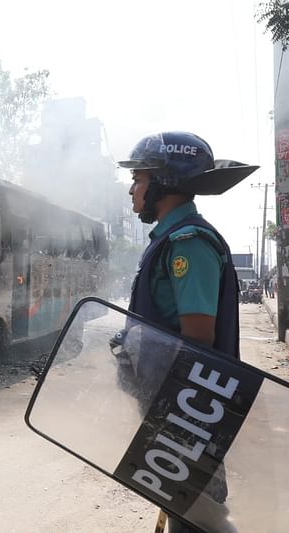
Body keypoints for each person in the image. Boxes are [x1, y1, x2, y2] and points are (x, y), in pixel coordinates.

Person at [121, 131, 258, 533]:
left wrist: (177, 426)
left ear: (165, 183)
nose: (132, 189)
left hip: (190, 412)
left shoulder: (189, 243)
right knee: (189, 515)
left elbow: (198, 337)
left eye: (140, 179)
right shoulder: (169, 239)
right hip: (177, 409)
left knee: (201, 520)